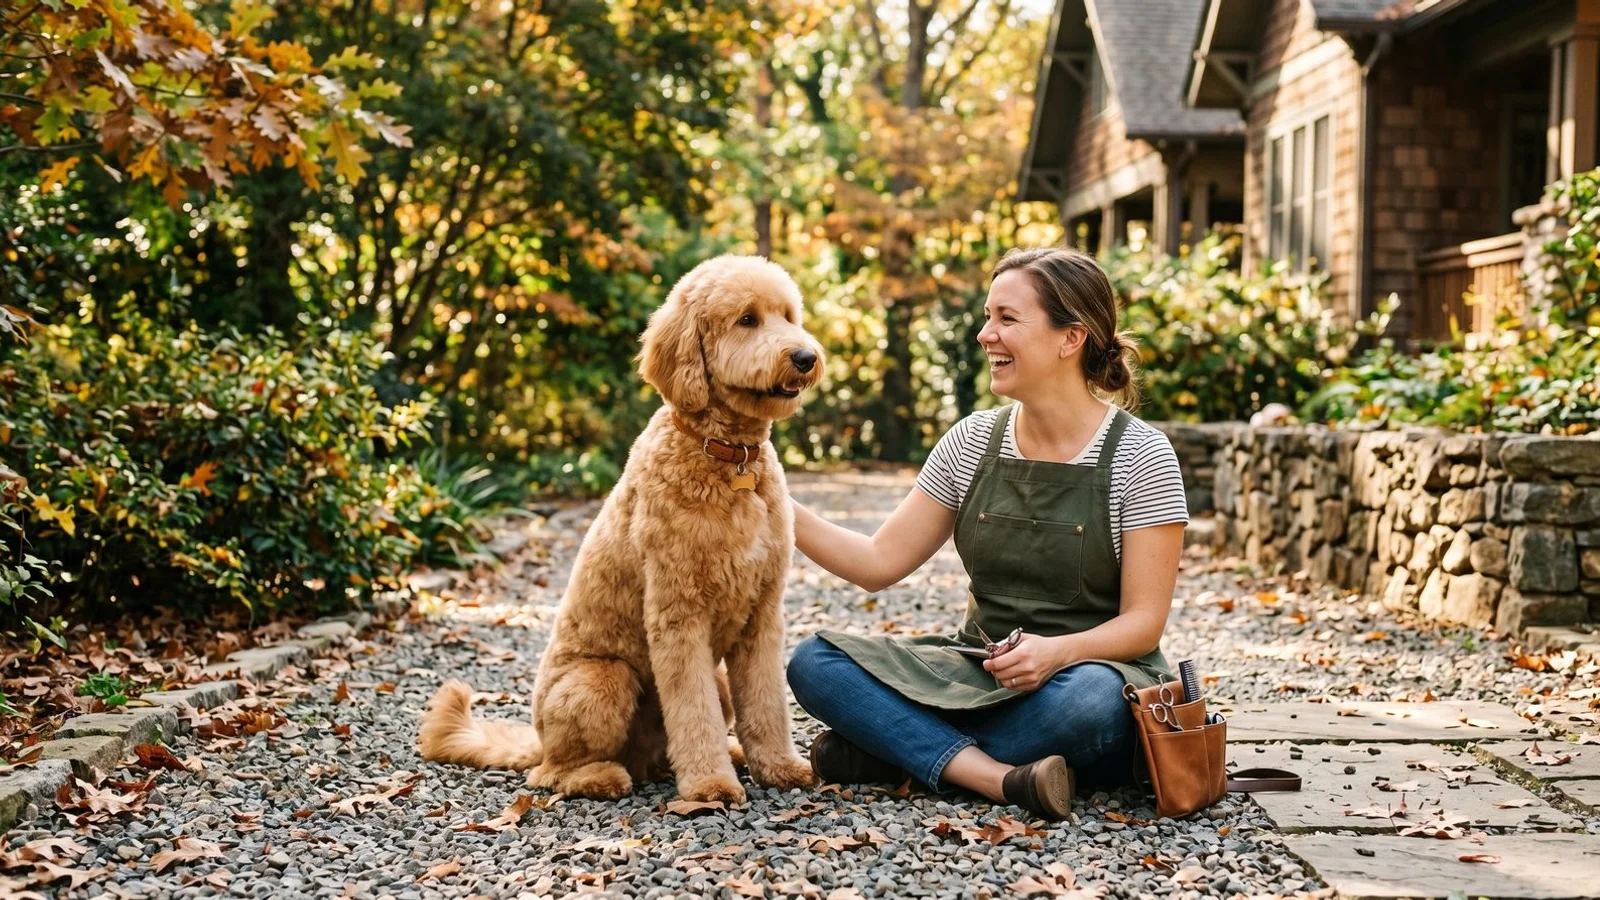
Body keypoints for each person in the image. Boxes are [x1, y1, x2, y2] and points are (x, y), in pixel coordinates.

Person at [784, 246, 1189, 820]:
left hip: (1088, 674)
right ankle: (1000, 777)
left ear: (1069, 338)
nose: (985, 335)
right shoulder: (973, 440)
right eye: (986, 316)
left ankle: (897, 751)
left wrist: (1057, 654)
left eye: (1007, 319)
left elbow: (1144, 623)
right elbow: (877, 562)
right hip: (977, 673)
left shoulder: (1141, 455)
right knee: (814, 661)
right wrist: (773, 497)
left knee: (1090, 705)